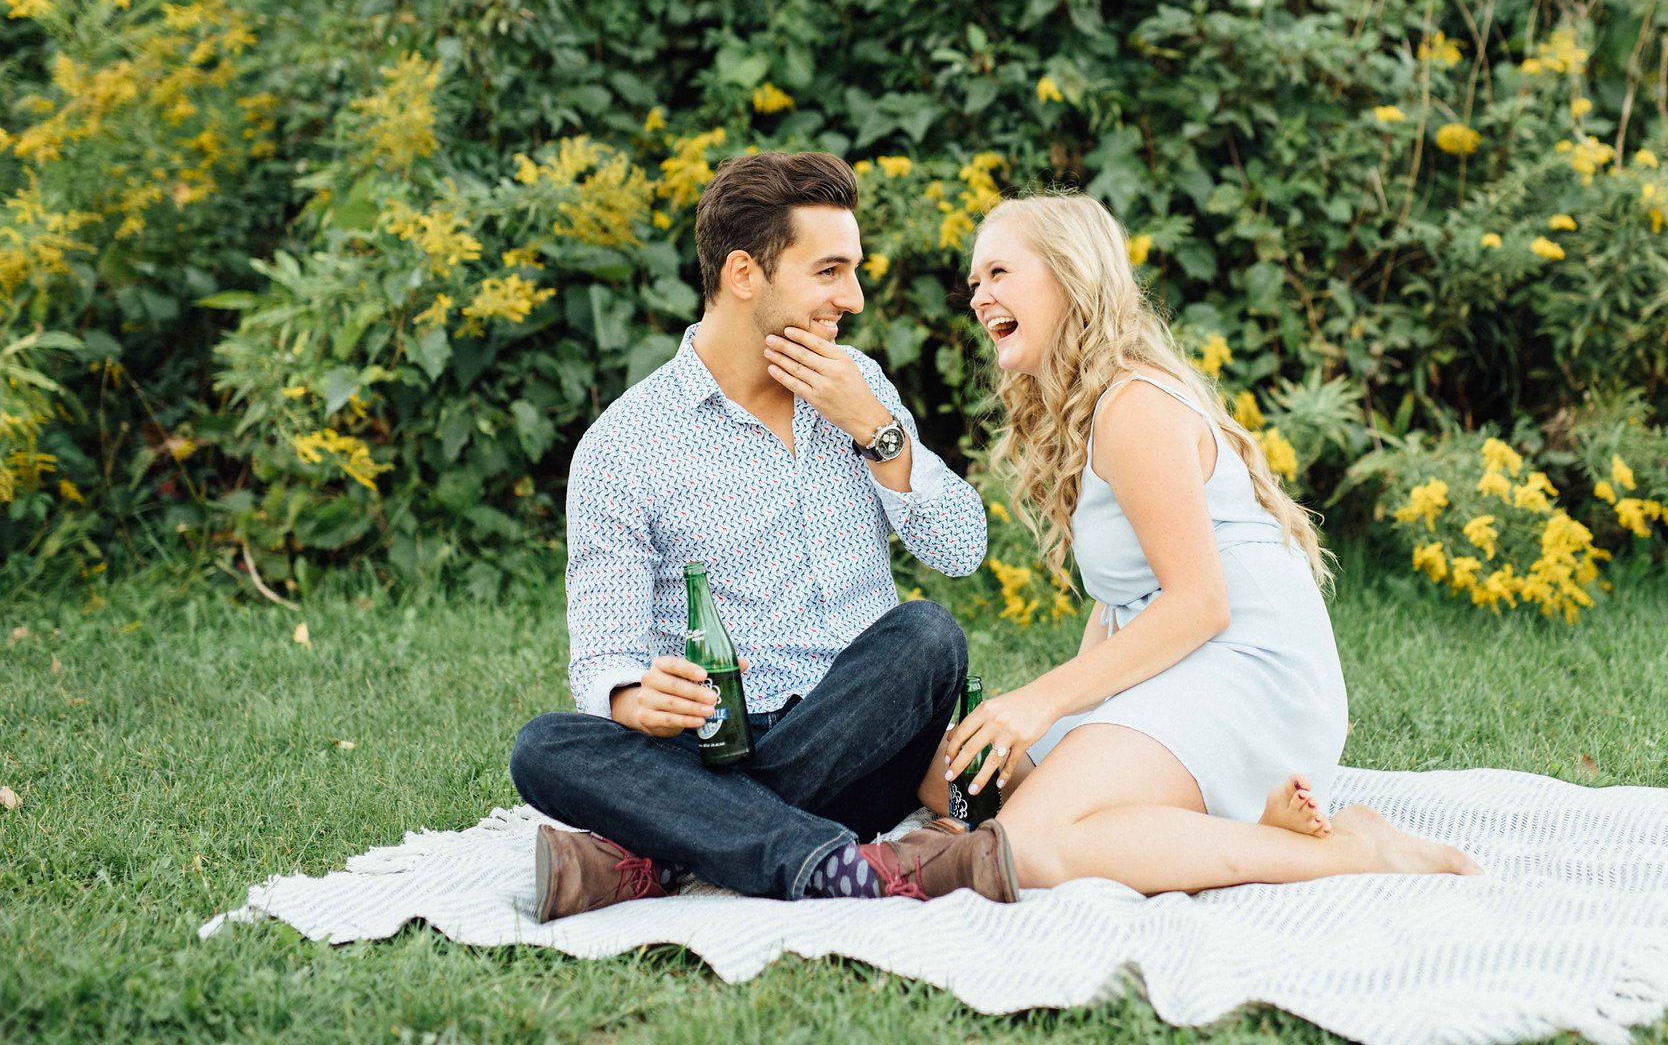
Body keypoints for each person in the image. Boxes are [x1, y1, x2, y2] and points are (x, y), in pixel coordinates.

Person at [912, 193, 1479, 894]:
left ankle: (1357, 850)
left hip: (1249, 672)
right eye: (974, 283)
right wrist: (1073, 728)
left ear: (1069, 276)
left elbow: (1199, 603)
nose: (978, 296)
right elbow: (1122, 601)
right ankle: (1251, 828)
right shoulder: (1090, 412)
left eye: (998, 272)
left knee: (1027, 841)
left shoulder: (1135, 404)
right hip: (1187, 669)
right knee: (950, 780)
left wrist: (1045, 703)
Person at [508, 151, 1003, 921]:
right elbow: (602, 654)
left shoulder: (858, 386)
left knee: (929, 634)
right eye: (830, 271)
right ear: (745, 273)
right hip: (710, 742)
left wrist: (876, 429)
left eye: (854, 270)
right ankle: (839, 863)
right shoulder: (623, 444)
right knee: (543, 746)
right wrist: (636, 698)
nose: (855, 296)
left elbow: (961, 547)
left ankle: (663, 851)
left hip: (863, 741)